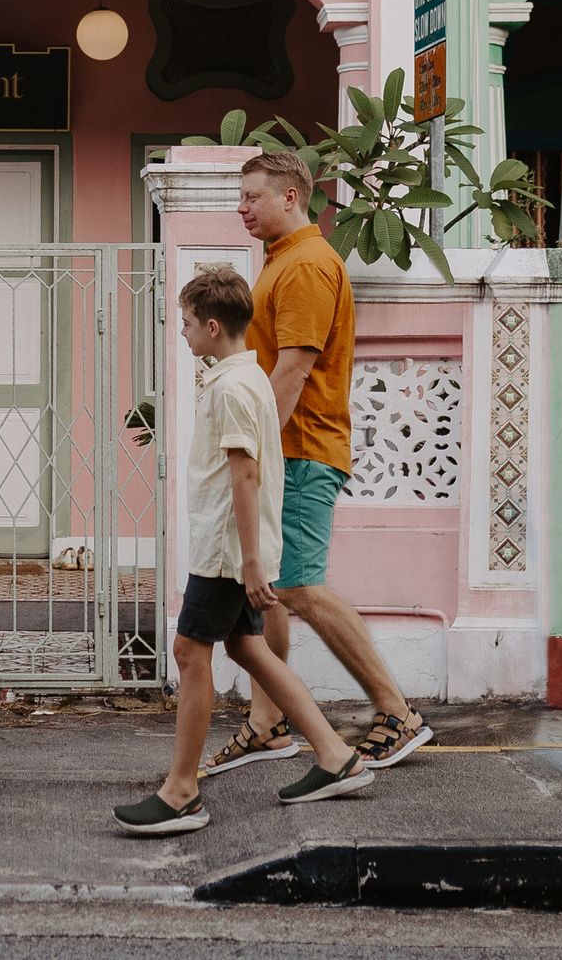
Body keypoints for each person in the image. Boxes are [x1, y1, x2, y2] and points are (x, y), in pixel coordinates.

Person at [201, 149, 434, 781]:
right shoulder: (282, 263)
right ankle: (268, 723)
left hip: (300, 448)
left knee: (299, 584)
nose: (241, 207)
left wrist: (257, 452)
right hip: (290, 448)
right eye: (240, 197)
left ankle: (397, 711)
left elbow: (294, 370)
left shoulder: (305, 266)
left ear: (291, 197)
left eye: (253, 196)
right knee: (271, 586)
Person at [115, 264, 371, 835]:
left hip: (227, 552)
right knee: (249, 648)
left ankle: (182, 791)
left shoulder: (231, 386)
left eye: (184, 323)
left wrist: (252, 563)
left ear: (211, 326)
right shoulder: (248, 376)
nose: (179, 333)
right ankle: (335, 756)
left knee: (188, 652)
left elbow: (246, 474)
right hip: (236, 548)